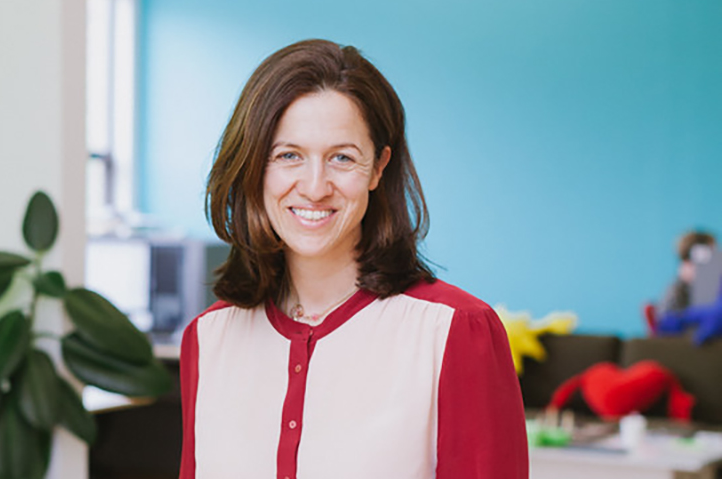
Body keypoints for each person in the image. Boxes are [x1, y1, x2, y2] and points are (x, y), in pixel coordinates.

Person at [180, 39, 528, 479]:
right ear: (253, 165)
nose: (314, 187)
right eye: (288, 156)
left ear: (378, 167)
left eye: (342, 158)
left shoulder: (455, 331)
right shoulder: (208, 337)